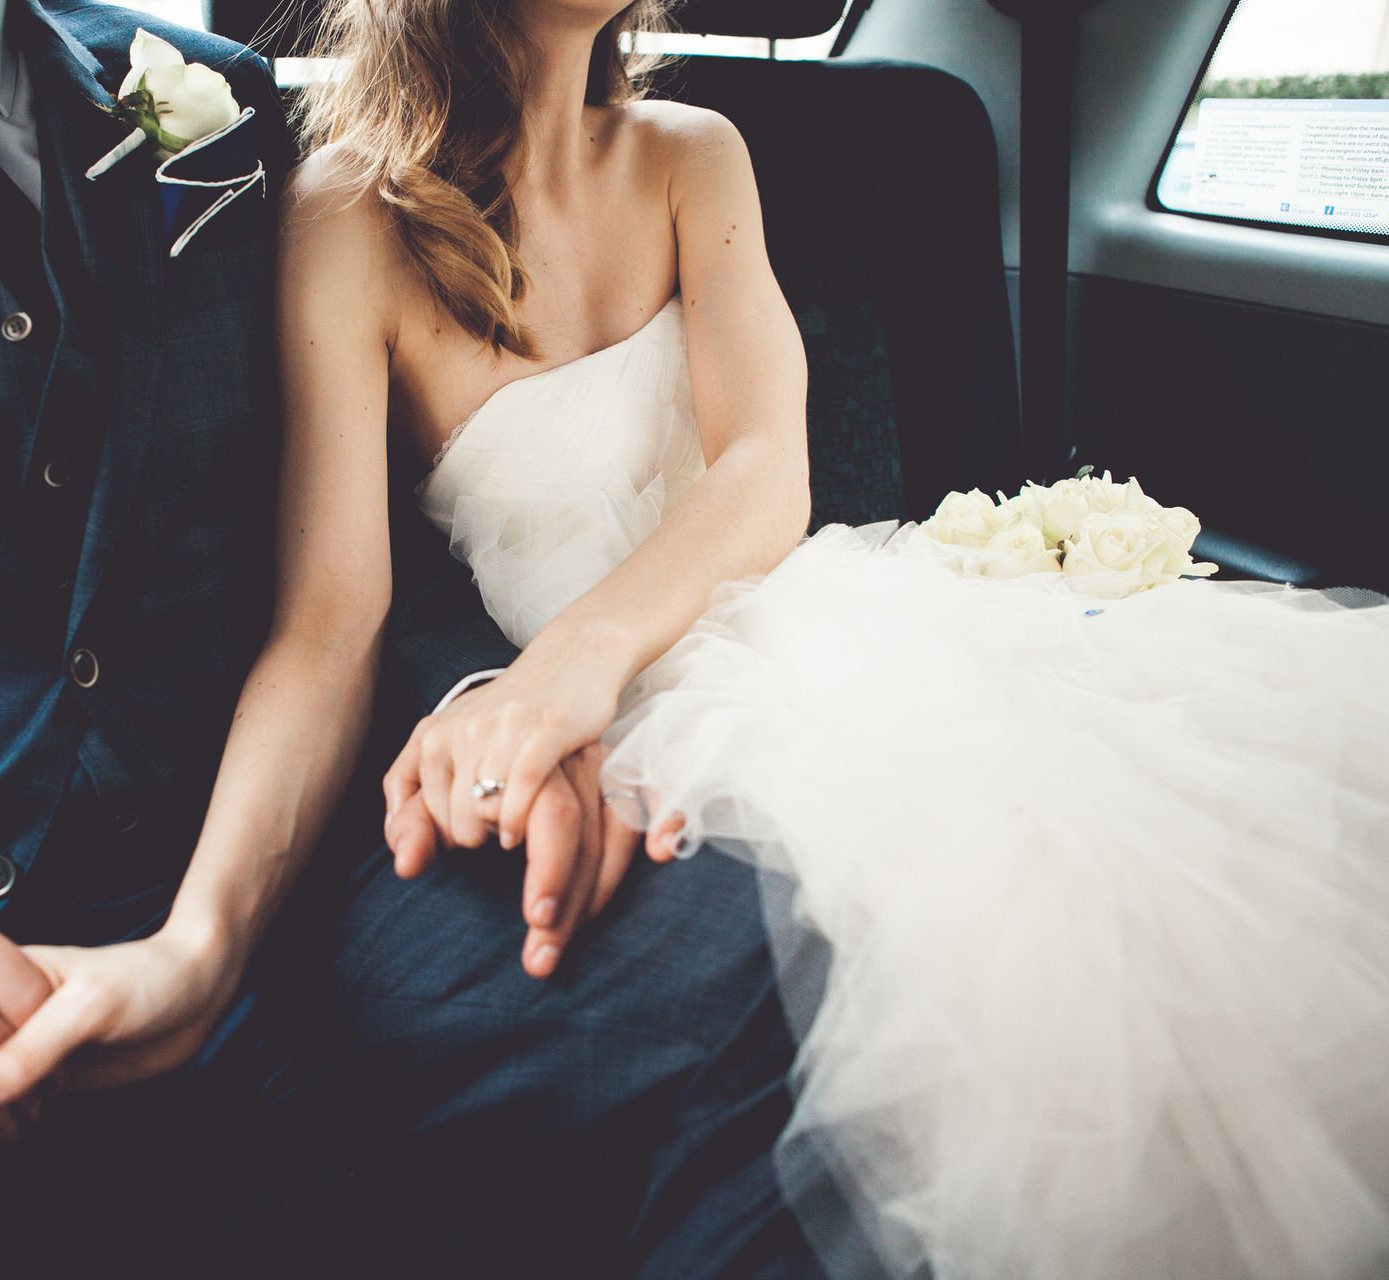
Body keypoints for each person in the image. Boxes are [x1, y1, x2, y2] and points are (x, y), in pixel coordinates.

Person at [0, 0, 822, 1274]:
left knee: (747, 974)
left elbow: (329, 553)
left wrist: (492, 714)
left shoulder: (207, 102)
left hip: (266, 915)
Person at [285, 2, 1389, 1279]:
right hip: (612, 722)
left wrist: (568, 665)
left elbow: (764, 472)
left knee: (1123, 883)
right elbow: (323, 621)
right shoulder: (349, 210)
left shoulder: (692, 150)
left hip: (802, 629)